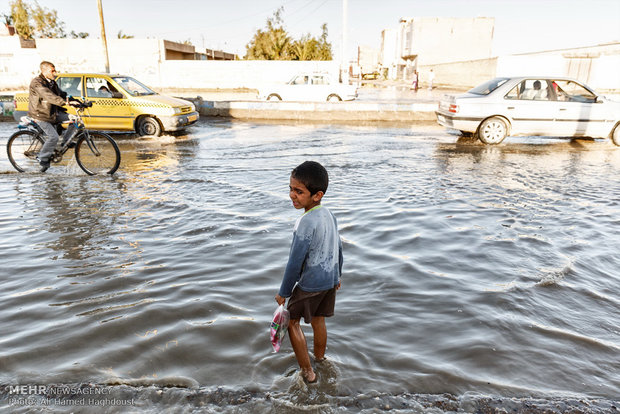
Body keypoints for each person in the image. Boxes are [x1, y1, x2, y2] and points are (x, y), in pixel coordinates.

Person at [275, 161, 343, 384]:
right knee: (318, 320)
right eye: (290, 189)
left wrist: (284, 292)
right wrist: (338, 276)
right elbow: (338, 247)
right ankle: (321, 359)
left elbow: (295, 262)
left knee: (292, 322)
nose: (292, 195)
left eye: (298, 191)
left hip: (311, 283)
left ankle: (308, 372)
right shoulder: (329, 214)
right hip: (329, 280)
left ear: (317, 195)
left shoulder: (305, 222)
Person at [28, 61, 78, 172]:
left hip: (52, 113)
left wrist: (76, 101)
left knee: (75, 119)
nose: (55, 73)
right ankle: (42, 158)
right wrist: (65, 103)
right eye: (52, 70)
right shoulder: (37, 83)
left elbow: (62, 94)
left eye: (55, 70)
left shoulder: (52, 82)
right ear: (44, 71)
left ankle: (66, 142)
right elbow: (48, 95)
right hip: (40, 114)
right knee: (53, 137)